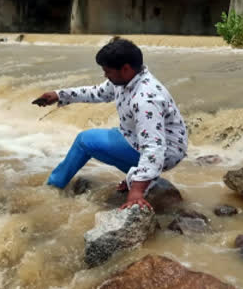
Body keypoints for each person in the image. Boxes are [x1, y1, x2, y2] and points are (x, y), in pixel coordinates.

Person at [33, 39, 187, 209]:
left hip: (165, 151)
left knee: (85, 141)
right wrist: (59, 95)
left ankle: (53, 187)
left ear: (126, 68)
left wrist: (136, 191)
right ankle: (140, 175)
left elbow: (153, 146)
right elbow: (98, 93)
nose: (105, 75)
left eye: (108, 71)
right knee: (106, 137)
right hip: (139, 138)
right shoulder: (126, 79)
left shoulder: (145, 99)